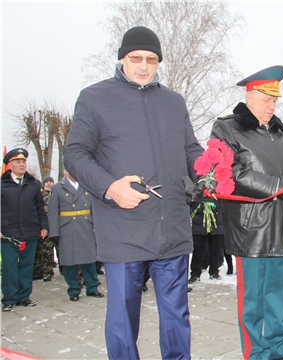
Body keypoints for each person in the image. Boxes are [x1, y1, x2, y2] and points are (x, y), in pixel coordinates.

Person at [63, 26, 203, 359]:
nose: (143, 65)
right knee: (123, 320)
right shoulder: (95, 97)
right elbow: (75, 153)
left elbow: (190, 148)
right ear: (122, 58)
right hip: (123, 227)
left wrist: (209, 166)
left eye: (151, 59)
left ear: (158, 62)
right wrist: (110, 187)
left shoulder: (173, 101)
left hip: (172, 228)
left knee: (177, 317)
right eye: (135, 58)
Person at [210, 65, 283, 360]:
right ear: (250, 96)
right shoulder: (227, 128)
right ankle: (255, 354)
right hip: (250, 230)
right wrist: (277, 186)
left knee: (278, 295)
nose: (272, 106)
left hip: (282, 225)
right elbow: (228, 172)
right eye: (266, 99)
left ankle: (282, 349)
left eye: (275, 101)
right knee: (252, 300)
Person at [1, 148, 48, 311]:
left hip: (30, 231)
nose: (21, 165)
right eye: (17, 162)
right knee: (9, 267)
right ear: (10, 166)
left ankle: (24, 296)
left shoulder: (34, 184)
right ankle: (9, 298)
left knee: (27, 265)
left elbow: (39, 207)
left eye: (23, 162)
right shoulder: (2, 184)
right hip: (8, 233)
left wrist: (43, 226)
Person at [47, 170, 104, 301]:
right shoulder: (57, 187)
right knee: (69, 261)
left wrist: (97, 227)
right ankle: (73, 289)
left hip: (86, 225)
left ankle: (92, 287)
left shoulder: (87, 185)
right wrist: (54, 232)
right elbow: (53, 211)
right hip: (67, 227)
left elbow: (94, 208)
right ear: (65, 171)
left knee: (89, 259)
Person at [188, 200, 224, 283]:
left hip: (216, 222)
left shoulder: (219, 187)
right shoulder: (196, 187)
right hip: (199, 221)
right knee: (198, 251)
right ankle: (195, 274)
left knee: (215, 250)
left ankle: (214, 272)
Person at [33, 176, 58, 281]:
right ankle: (43, 272)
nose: (49, 184)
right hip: (44, 225)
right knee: (44, 250)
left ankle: (62, 269)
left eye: (50, 181)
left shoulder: (56, 194)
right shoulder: (40, 195)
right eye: (46, 182)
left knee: (60, 250)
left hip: (56, 225)